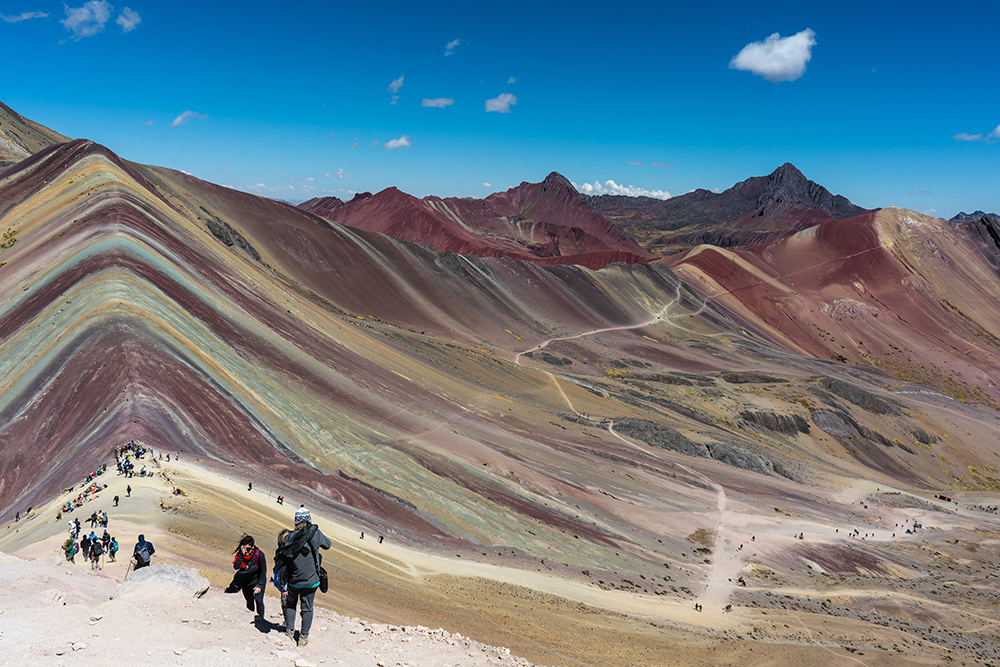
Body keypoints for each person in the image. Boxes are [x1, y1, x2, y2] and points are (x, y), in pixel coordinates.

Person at [273, 506, 331, 647]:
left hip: (294, 580)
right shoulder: (315, 533)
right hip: (312, 580)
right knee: (307, 607)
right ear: (309, 519)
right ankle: (303, 638)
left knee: (291, 604)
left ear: (295, 521)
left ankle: (289, 632)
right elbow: (328, 545)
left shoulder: (290, 537)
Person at [226, 535, 267, 621]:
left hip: (257, 579)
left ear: (253, 547)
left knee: (258, 599)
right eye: (244, 548)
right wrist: (241, 555)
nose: (246, 551)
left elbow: (263, 571)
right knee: (249, 600)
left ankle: (261, 620)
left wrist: (259, 585)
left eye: (248, 549)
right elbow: (236, 567)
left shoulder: (259, 555)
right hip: (246, 581)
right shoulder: (241, 554)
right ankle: (250, 618)